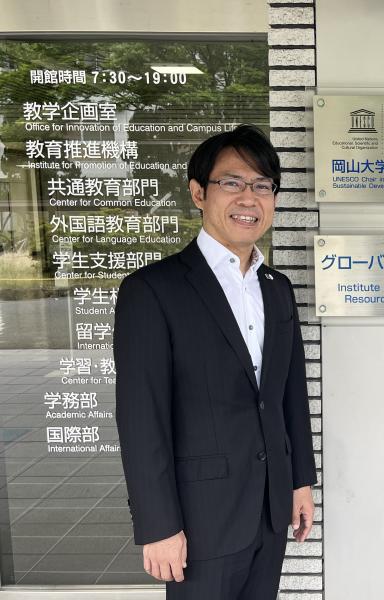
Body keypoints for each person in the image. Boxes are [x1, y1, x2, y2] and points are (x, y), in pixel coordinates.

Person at [114, 124, 316, 600]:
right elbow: (141, 418)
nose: (249, 198)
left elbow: (289, 394)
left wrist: (299, 480)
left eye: (263, 186)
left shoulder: (277, 288)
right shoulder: (153, 291)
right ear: (198, 193)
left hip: (269, 508)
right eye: (232, 182)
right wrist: (158, 524)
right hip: (198, 518)